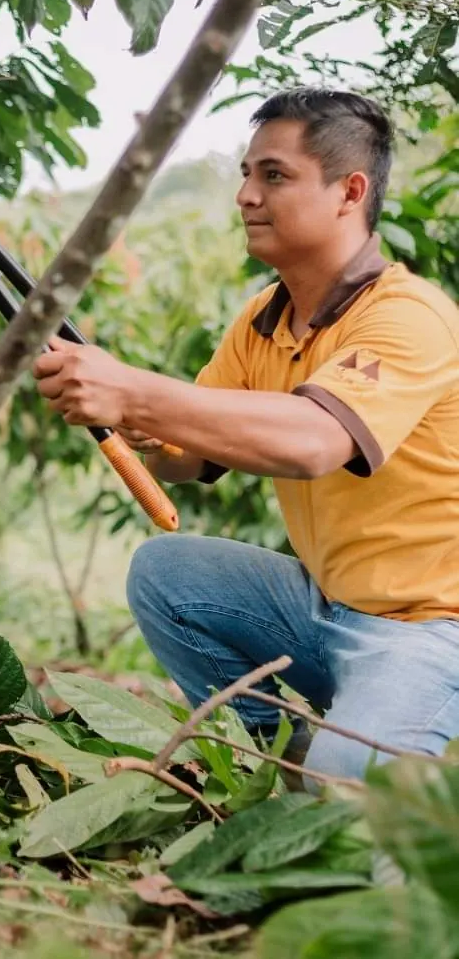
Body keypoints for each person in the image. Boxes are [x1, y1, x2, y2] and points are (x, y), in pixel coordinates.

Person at [33, 88, 459, 783]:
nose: (246, 196)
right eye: (245, 174)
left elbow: (316, 441)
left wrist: (134, 389)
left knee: (346, 805)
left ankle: (346, 768)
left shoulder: (410, 317)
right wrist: (134, 418)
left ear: (349, 192)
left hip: (431, 632)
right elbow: (190, 456)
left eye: (274, 175)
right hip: (328, 609)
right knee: (166, 573)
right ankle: (268, 759)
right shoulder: (267, 317)